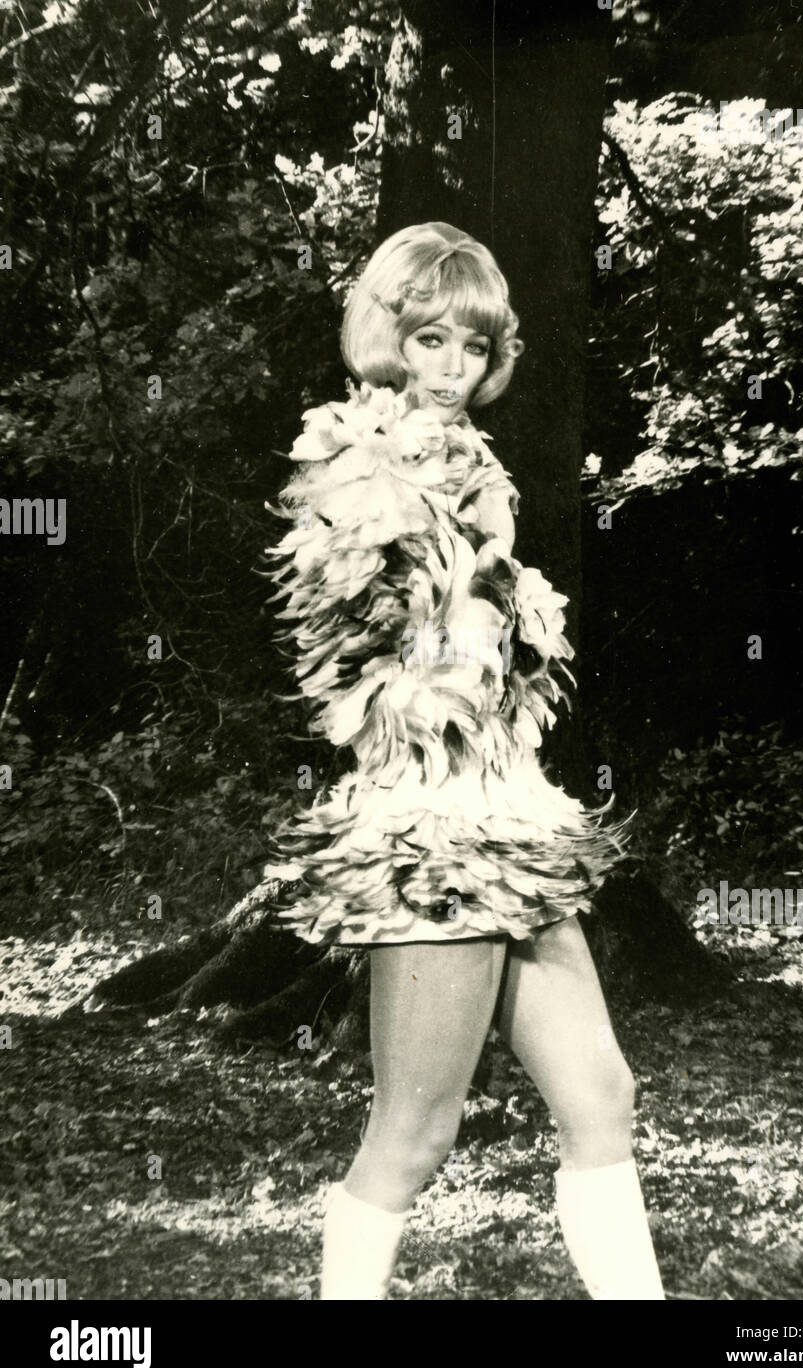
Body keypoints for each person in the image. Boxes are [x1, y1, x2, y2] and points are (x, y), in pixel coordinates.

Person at [263, 221, 665, 1302]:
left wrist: (511, 622)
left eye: (472, 348)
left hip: (507, 813)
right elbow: (343, 664)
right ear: (384, 338)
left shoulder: (469, 466)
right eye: (428, 340)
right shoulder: (354, 465)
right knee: (415, 1129)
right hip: (426, 827)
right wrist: (448, 644)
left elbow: (499, 649)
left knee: (601, 1097)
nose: (449, 369)